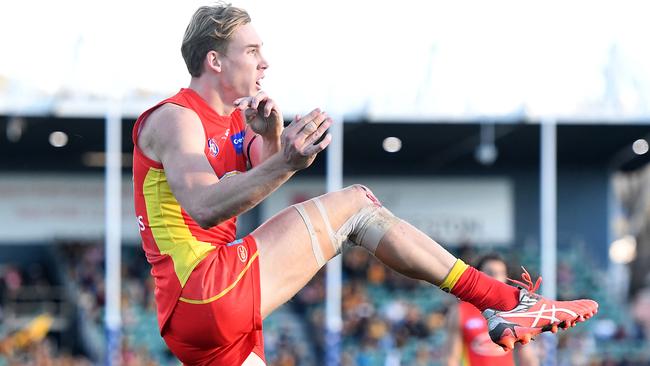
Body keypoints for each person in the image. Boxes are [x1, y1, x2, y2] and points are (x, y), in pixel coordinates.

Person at [131, 3, 598, 365]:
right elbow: (205, 207)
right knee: (356, 206)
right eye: (252, 50)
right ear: (214, 59)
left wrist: (270, 137)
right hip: (205, 288)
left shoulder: (237, 119)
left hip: (201, 316)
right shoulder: (176, 118)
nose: (265, 62)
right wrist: (288, 162)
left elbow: (262, 173)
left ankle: (506, 305)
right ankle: (505, 301)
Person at [446, 253, 539, 366]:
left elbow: (528, 357)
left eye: (500, 273)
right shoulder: (460, 311)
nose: (496, 278)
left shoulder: (516, 312)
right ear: (479, 276)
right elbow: (452, 358)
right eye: (490, 273)